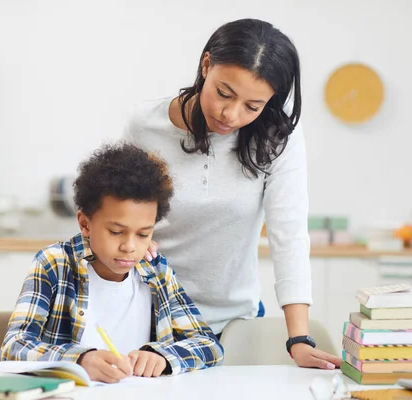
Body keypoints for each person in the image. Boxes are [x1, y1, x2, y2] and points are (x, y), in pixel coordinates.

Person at [123, 18, 340, 370]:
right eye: (224, 93)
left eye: (252, 106)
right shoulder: (144, 126)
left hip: (234, 323)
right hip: (145, 315)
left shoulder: (277, 138)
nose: (230, 114)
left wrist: (298, 338)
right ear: (206, 65)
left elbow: (289, 236)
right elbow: (118, 214)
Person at [1, 143, 224, 383]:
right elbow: (14, 346)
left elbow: (208, 344)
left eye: (142, 234)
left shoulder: (156, 270)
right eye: (116, 232)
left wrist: (163, 356)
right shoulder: (55, 264)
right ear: (85, 224)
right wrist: (80, 360)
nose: (129, 246)